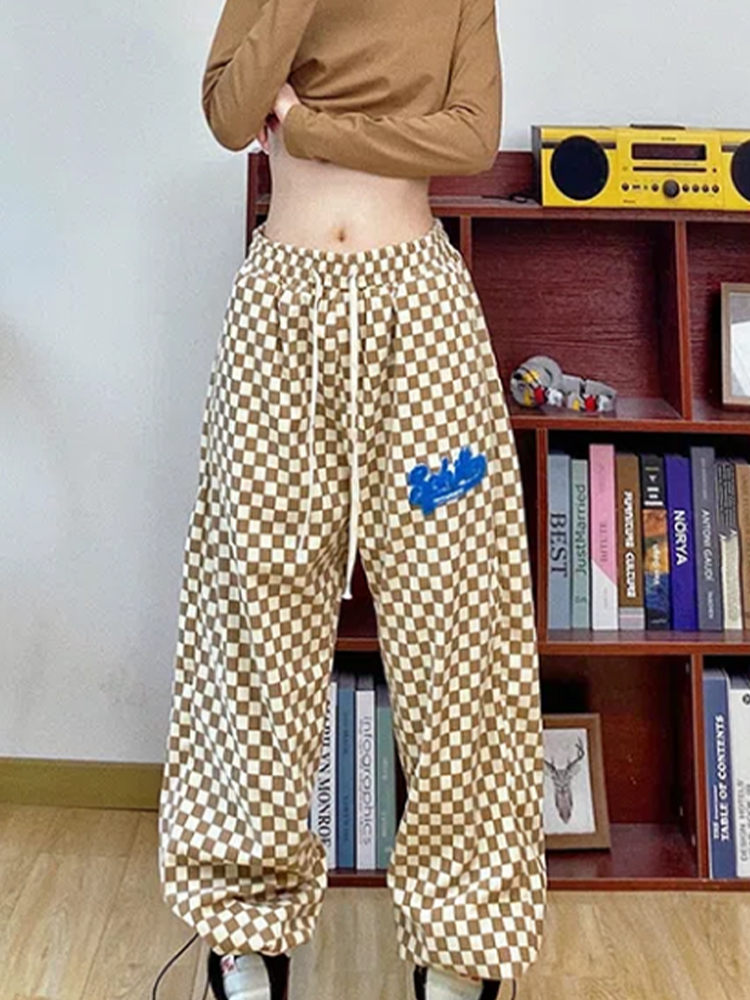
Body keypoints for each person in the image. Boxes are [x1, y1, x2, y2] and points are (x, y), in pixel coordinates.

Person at [154, 0, 548, 998]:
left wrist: (312, 124)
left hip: (422, 329)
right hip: (280, 322)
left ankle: (461, 935)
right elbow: (229, 114)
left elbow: (467, 139)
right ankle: (245, 923)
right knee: (256, 620)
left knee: (453, 617)